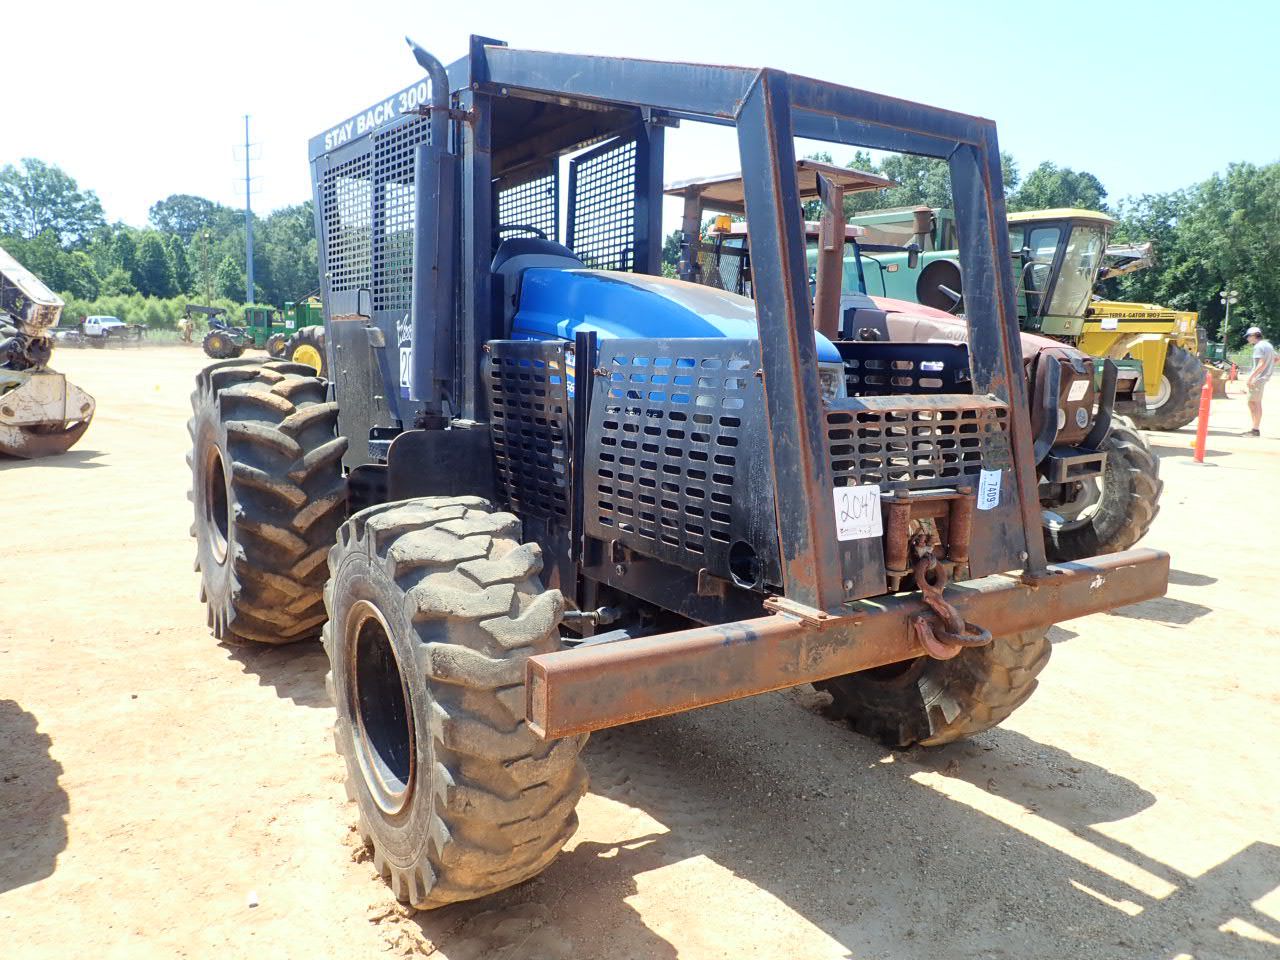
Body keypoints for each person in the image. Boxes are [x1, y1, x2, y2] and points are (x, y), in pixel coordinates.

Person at [1243, 325, 1274, 436]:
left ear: (1254, 335)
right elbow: (1276, 358)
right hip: (1263, 377)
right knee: (1255, 402)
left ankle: (1255, 430)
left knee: (1253, 403)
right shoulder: (1268, 345)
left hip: (1257, 378)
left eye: (1248, 336)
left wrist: (1251, 378)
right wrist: (1269, 368)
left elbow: (1261, 364)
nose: (1247, 338)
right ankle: (1255, 428)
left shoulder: (1258, 346)